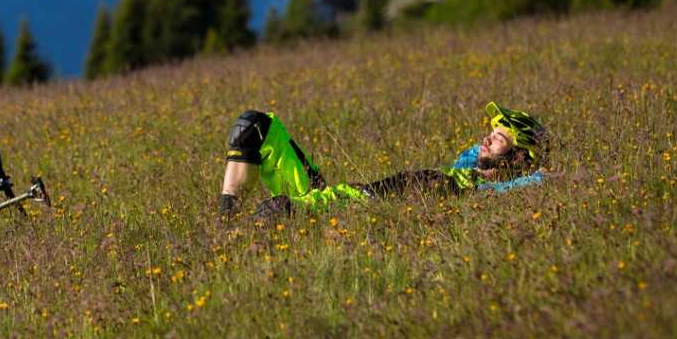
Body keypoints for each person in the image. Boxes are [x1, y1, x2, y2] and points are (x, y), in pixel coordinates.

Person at [218, 102, 549, 218]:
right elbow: (473, 155)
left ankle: (232, 240)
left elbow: (537, 181)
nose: (488, 138)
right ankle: (225, 220)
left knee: (274, 212)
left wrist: (523, 174)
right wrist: (491, 162)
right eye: (491, 131)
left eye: (500, 137)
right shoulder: (465, 170)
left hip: (339, 207)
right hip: (335, 196)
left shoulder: (483, 194)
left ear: (518, 157)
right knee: (254, 125)